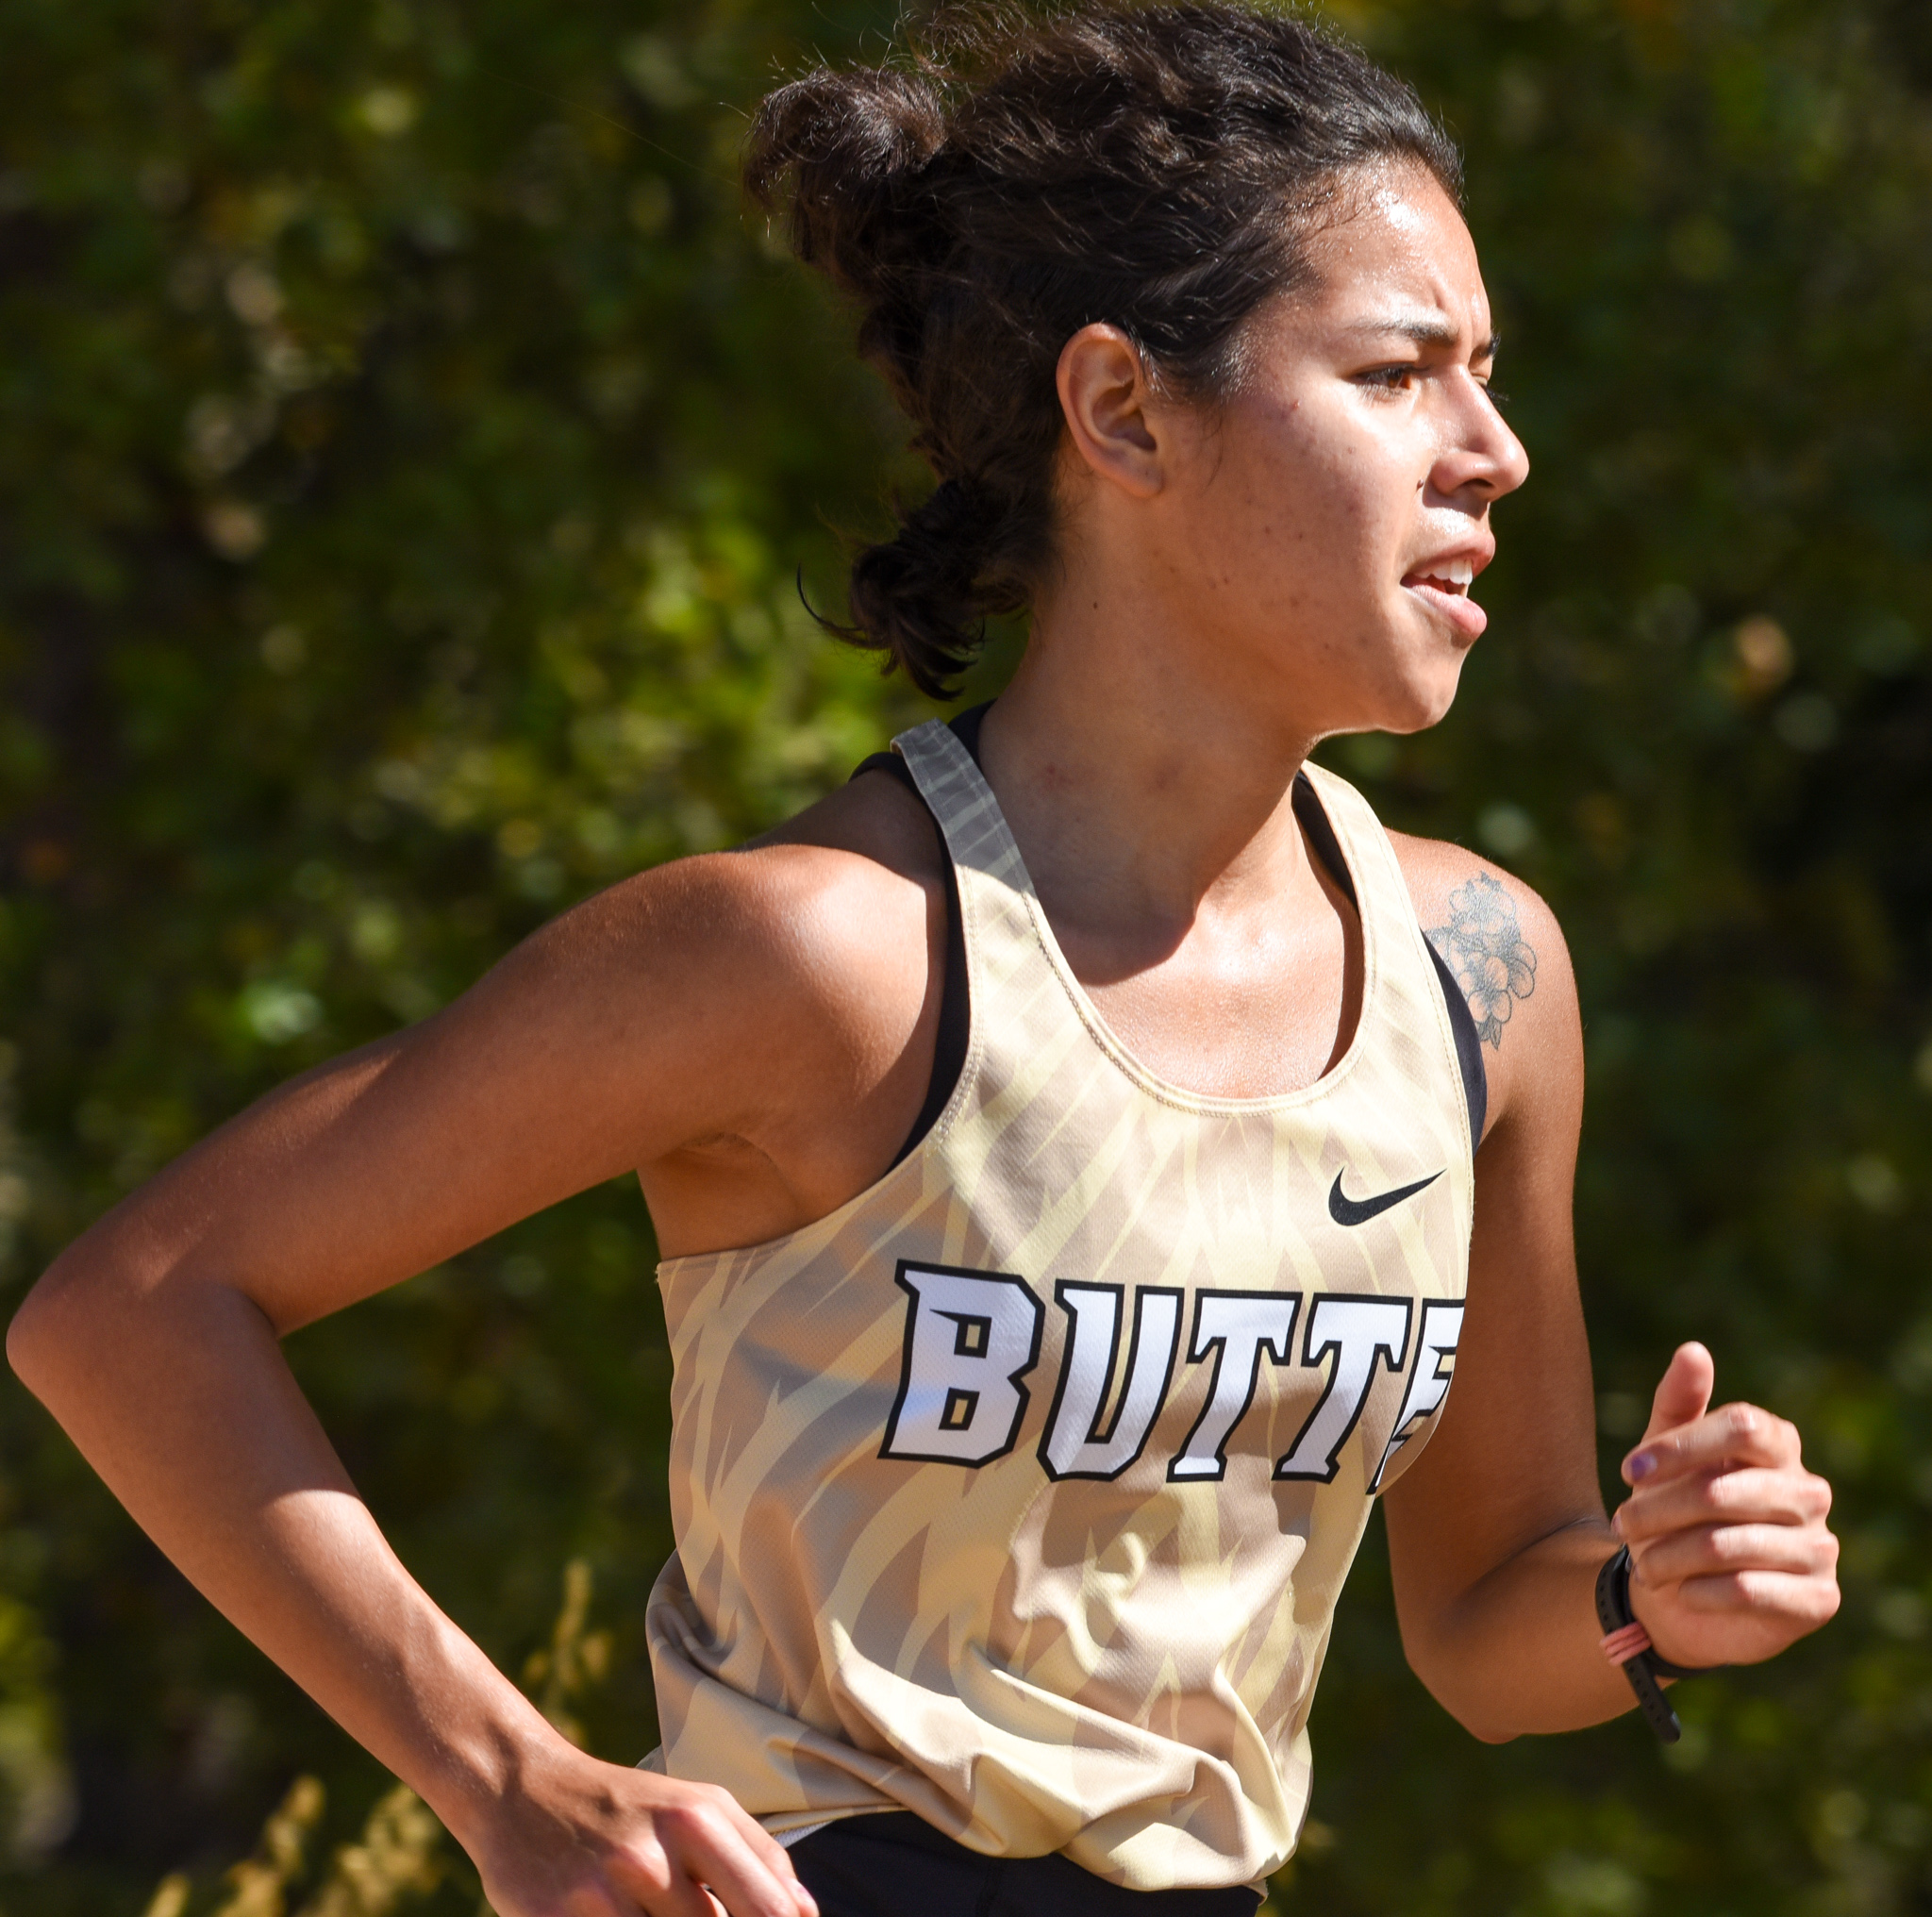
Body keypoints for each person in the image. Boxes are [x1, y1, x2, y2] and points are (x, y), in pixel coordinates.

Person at [7, 7, 1840, 1915]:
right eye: (1397, 373)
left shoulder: (1480, 975)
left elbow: (1481, 1622)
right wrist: (507, 1779)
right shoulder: (819, 953)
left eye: (1487, 378)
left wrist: (1655, 1592)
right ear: (1123, 409)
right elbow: (134, 1306)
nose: (1497, 454)